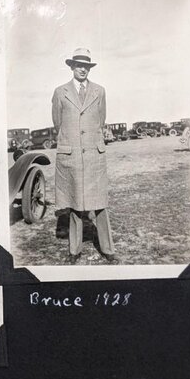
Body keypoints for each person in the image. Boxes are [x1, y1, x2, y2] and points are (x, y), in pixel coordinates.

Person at [51, 48, 116, 264]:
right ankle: (74, 251)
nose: (82, 69)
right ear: (71, 67)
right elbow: (58, 124)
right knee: (75, 205)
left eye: (86, 66)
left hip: (94, 157)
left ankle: (108, 249)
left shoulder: (100, 91)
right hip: (72, 158)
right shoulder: (60, 92)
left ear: (90, 68)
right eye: (78, 65)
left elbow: (101, 121)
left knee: (100, 204)